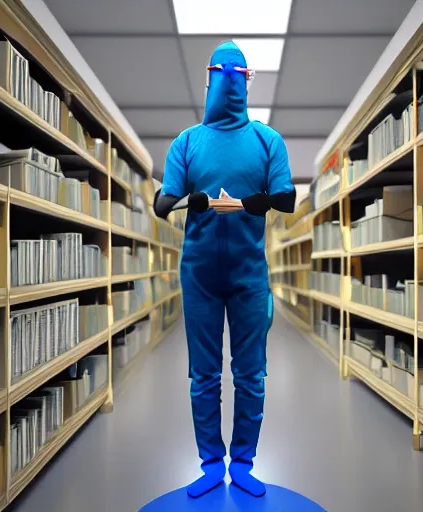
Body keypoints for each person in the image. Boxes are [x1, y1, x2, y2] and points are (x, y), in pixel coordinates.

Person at [153, 41, 296, 499]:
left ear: (247, 80)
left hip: (249, 276)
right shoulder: (187, 142)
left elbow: (288, 199)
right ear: (211, 78)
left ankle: (245, 463)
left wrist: (257, 203)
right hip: (198, 276)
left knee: (251, 373)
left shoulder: (267, 140)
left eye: (240, 73)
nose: (231, 79)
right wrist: (188, 200)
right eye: (224, 71)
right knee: (204, 374)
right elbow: (161, 204)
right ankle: (212, 463)